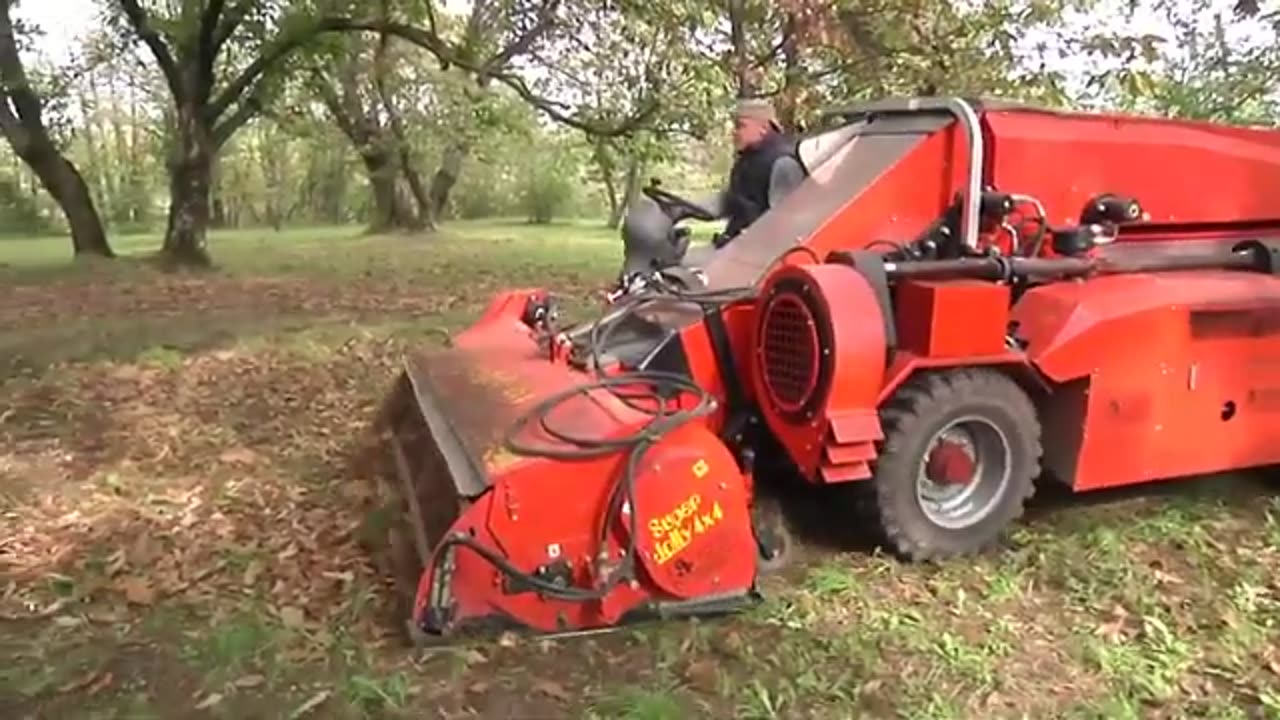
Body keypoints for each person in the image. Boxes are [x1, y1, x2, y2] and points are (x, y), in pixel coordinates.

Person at [699, 97, 809, 249]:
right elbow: (733, 204)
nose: (734, 132)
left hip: (763, 254)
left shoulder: (783, 162)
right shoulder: (748, 159)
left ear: (763, 128)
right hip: (738, 245)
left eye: (740, 126)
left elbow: (786, 224)